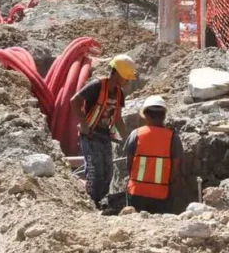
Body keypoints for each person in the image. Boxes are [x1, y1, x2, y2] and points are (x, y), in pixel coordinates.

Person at [70, 54, 136, 207]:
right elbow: (74, 101)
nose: (127, 81)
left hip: (104, 135)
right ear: (117, 73)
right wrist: (83, 123)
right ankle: (92, 202)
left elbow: (117, 118)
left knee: (108, 170)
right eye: (126, 77)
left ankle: (102, 202)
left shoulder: (119, 93)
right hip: (90, 135)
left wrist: (126, 138)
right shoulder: (97, 85)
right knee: (94, 169)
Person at [124, 95, 182, 214]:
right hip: (161, 195)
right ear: (164, 116)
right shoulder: (173, 138)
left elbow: (128, 164)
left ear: (145, 115)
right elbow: (175, 170)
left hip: (136, 192)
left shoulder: (136, 134)